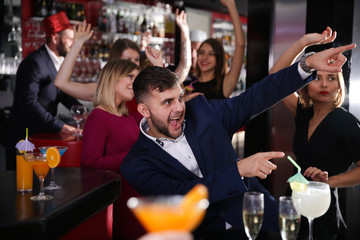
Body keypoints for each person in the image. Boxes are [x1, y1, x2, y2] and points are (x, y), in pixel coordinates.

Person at [120, 42, 355, 238]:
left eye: (179, 98)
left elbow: (255, 97)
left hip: (261, 221)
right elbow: (180, 196)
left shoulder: (203, 113)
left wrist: (306, 65)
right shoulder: (136, 164)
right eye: (167, 102)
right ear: (144, 110)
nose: (179, 108)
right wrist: (238, 170)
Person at [269, 27, 360, 240]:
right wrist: (304, 44)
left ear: (339, 86)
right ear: (307, 84)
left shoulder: (345, 121)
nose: (324, 84)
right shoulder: (303, 113)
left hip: (323, 212)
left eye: (331, 78)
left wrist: (329, 182)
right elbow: (275, 77)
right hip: (294, 205)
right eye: (317, 77)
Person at [1, 12, 81, 170]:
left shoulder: (59, 62)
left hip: (41, 136)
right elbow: (29, 103)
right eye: (69, 39)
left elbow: (63, 93)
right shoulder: (35, 62)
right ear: (55, 38)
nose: (73, 43)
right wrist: (60, 126)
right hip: (24, 139)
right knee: (20, 188)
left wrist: (84, 112)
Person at [81, 59, 146, 240]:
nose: (135, 81)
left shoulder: (129, 117)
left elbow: (159, 107)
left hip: (140, 195)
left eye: (137, 77)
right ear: (112, 78)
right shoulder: (99, 116)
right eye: (130, 76)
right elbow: (89, 164)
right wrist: (130, 156)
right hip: (121, 198)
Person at [184, 0, 245, 99]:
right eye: (202, 52)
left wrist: (231, 5)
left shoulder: (224, 84)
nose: (205, 57)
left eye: (211, 54)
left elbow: (240, 45)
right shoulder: (187, 84)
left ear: (219, 58)